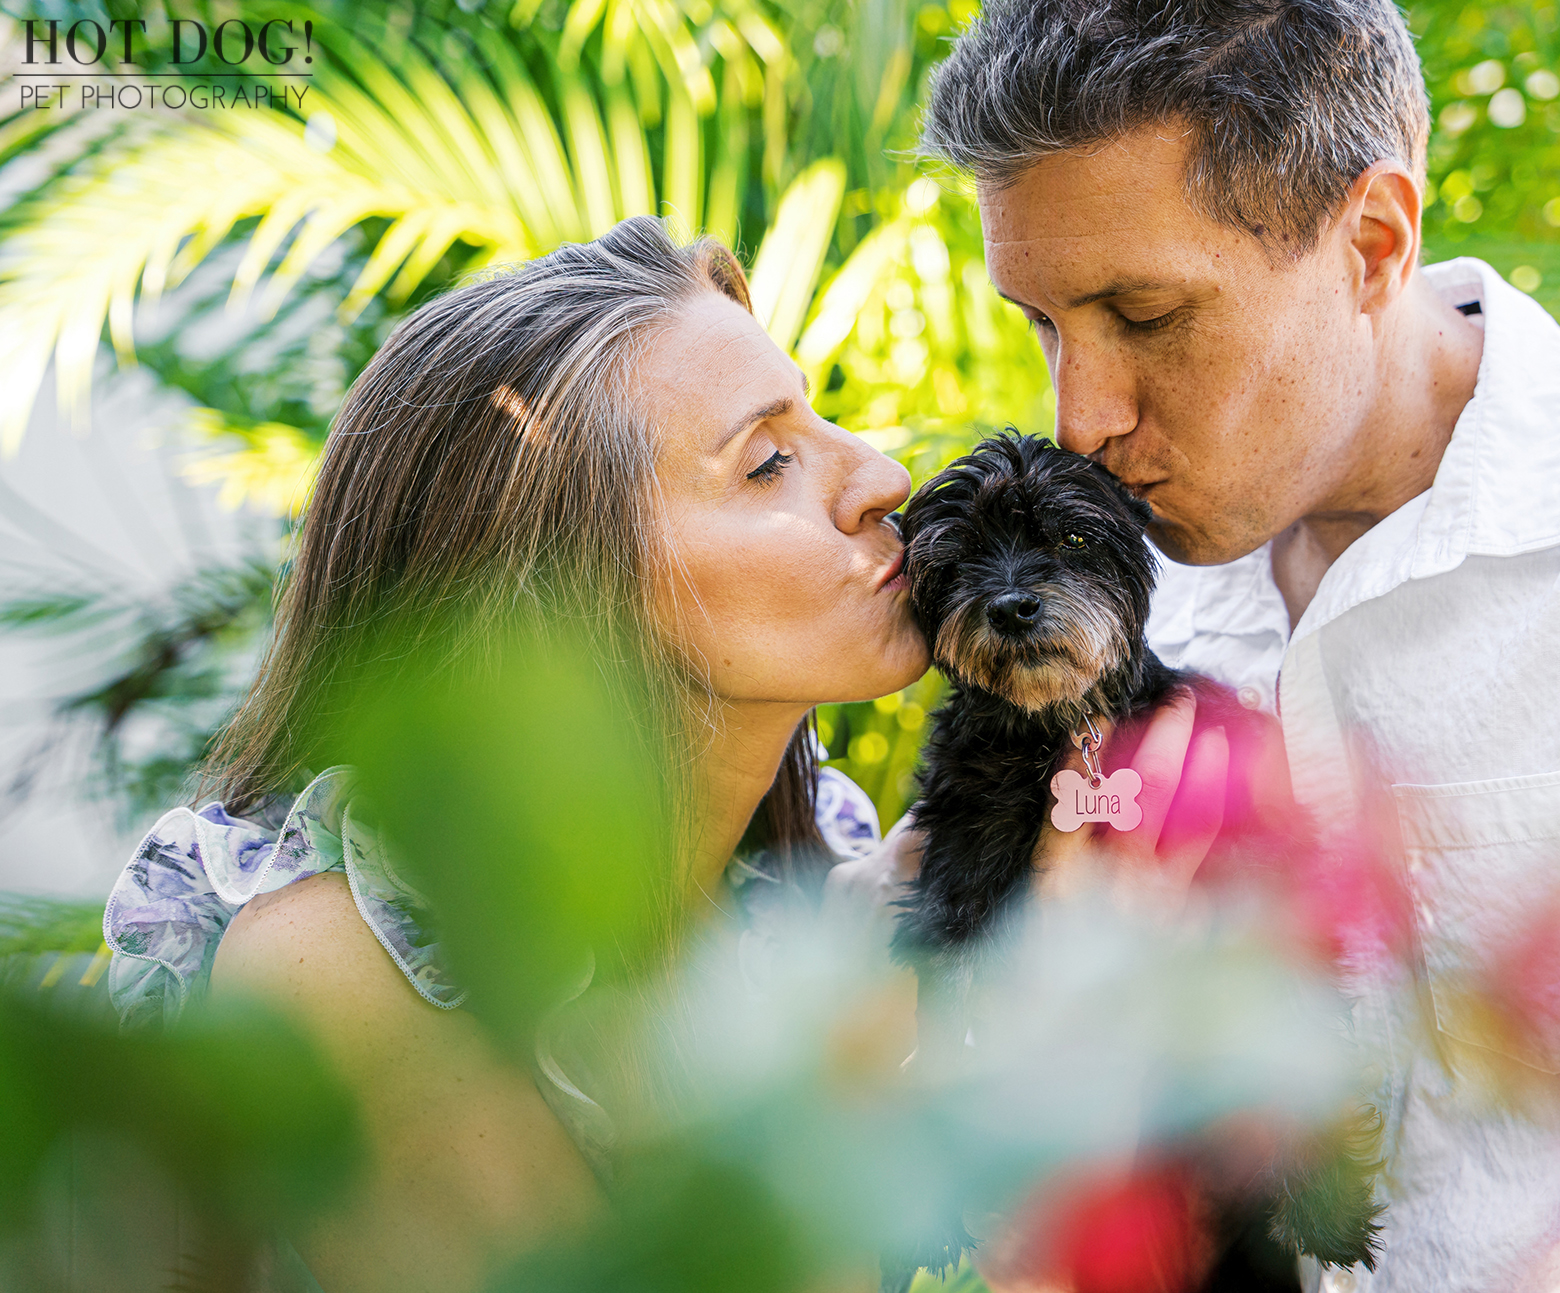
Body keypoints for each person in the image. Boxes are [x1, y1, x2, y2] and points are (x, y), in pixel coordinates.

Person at [916, 0, 1560, 1289]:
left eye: (1147, 314)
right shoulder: (1113, 618)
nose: (1081, 415)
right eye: (1043, 323)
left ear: (1371, 242)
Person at [100, 217, 1232, 1293]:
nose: (882, 476)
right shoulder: (335, 965)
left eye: (818, 418)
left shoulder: (806, 894)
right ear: (563, 588)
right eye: (765, 464)